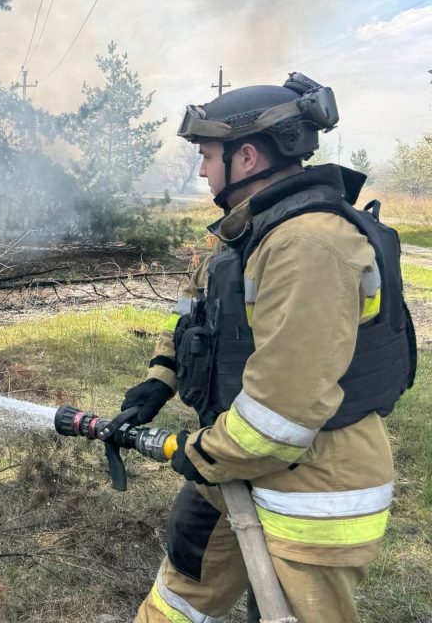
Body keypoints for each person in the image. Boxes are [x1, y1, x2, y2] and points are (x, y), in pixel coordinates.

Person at [123, 73, 416, 623]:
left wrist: (202, 453)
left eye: (208, 155)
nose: (203, 168)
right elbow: (199, 313)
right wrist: (160, 377)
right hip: (233, 462)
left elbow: (285, 405)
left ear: (248, 157)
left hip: (312, 489)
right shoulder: (247, 233)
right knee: (180, 595)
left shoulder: (309, 245)